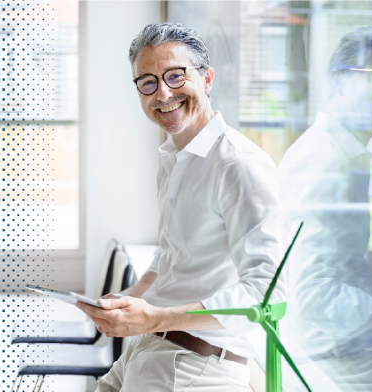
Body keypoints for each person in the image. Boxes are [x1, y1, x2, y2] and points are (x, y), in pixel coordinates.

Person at [75, 22, 285, 391]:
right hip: (150, 349)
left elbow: (266, 292)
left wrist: (153, 318)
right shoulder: (175, 157)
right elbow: (170, 255)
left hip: (193, 370)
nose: (163, 93)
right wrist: (128, 298)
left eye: (175, 75)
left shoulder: (238, 164)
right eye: (148, 82)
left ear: (207, 79)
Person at [279, 27, 372, 391]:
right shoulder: (324, 161)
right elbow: (315, 295)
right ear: (339, 81)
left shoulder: (347, 153)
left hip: (348, 348)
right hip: (331, 360)